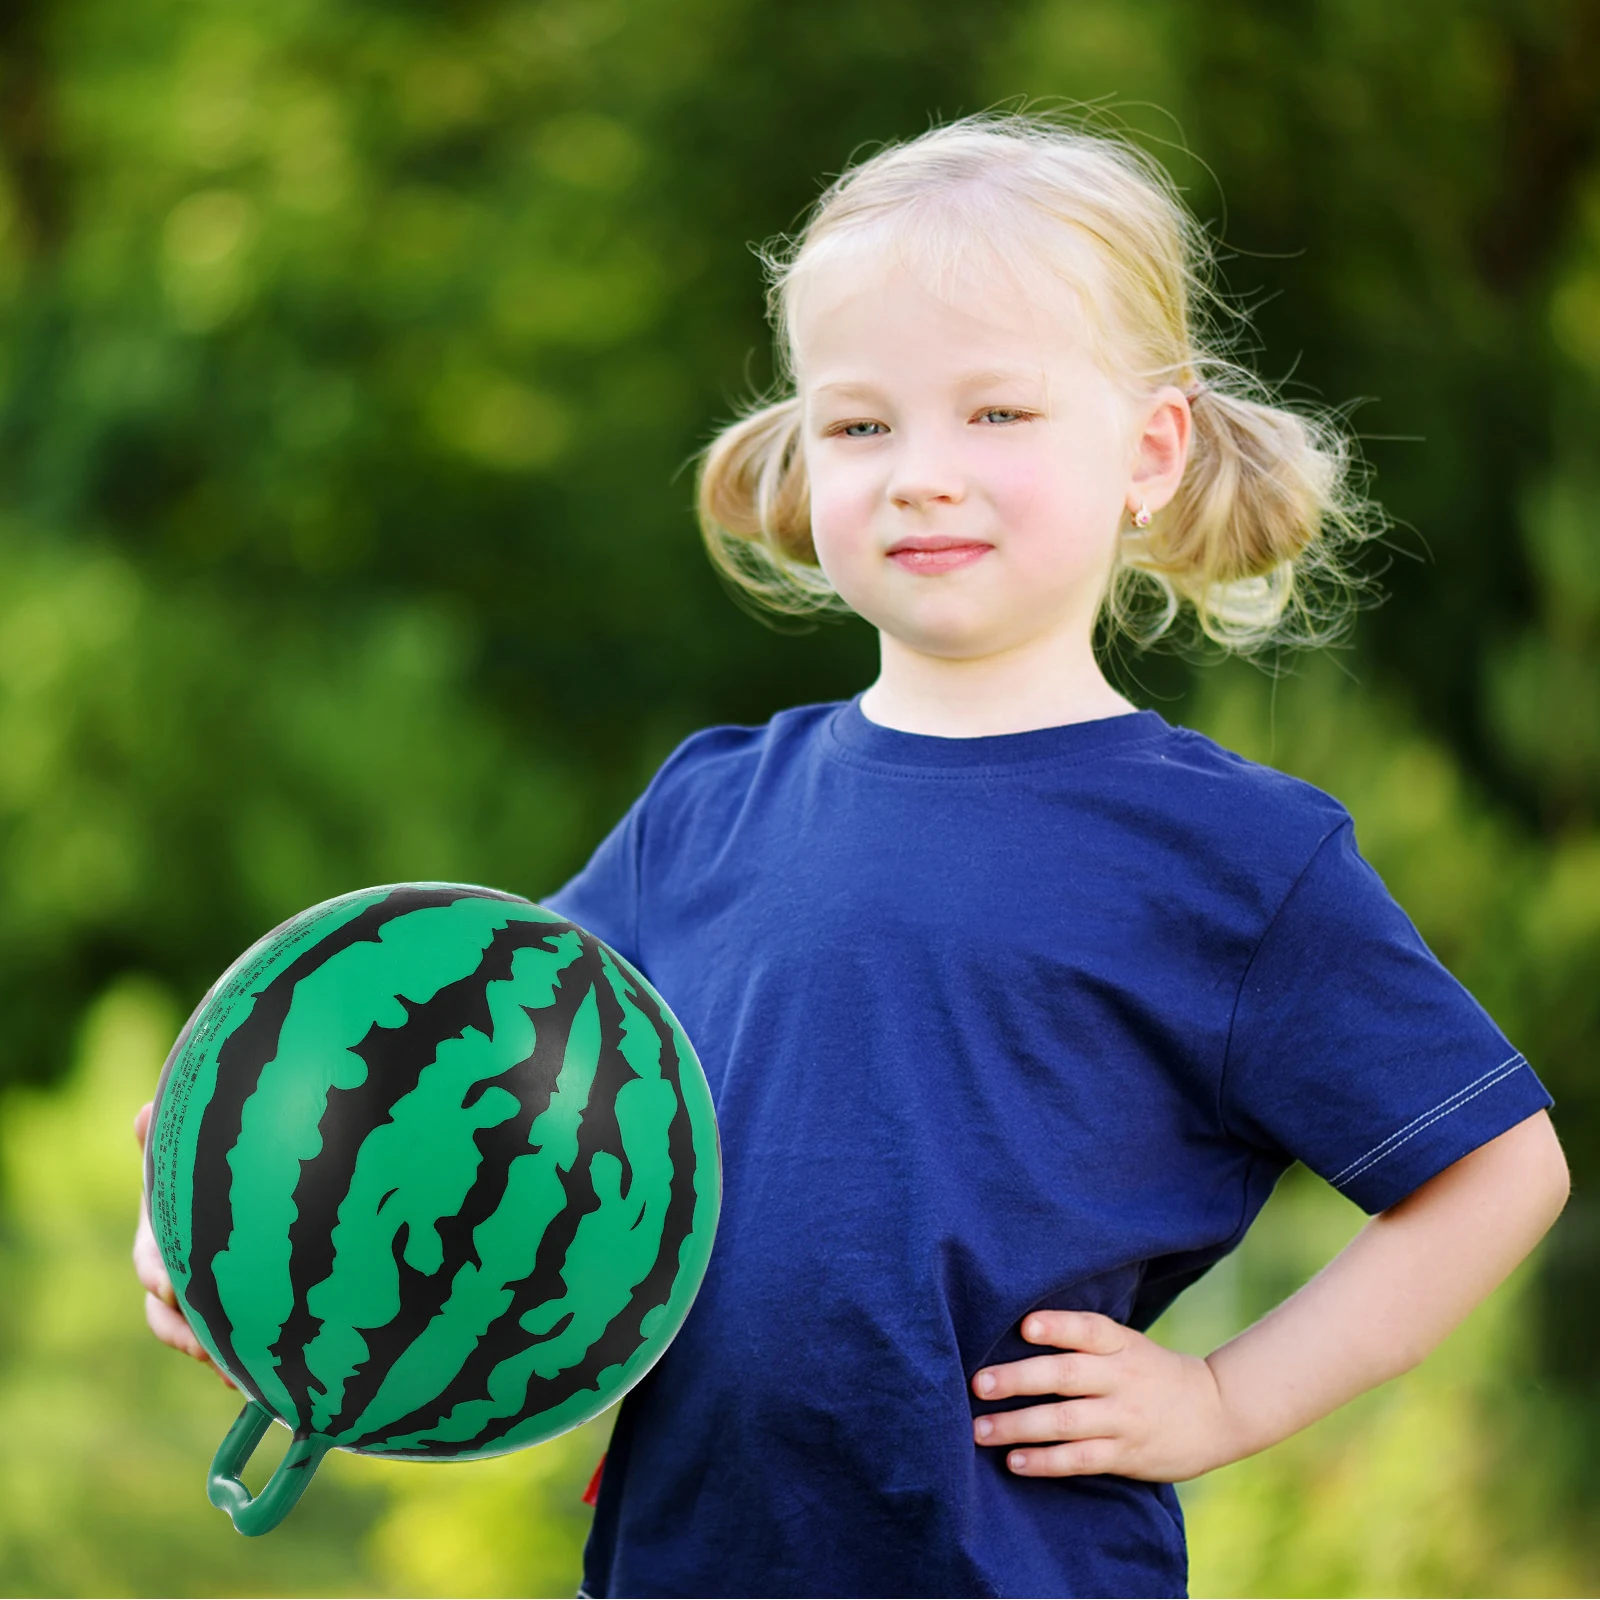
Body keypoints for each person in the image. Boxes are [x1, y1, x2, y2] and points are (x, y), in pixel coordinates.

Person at [134, 112, 1570, 1598]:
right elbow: (452, 1088)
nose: (921, 475)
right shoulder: (707, 809)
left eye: (998, 416)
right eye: (862, 424)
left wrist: (1224, 1399)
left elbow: (1497, 1174)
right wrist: (204, 1207)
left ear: (1151, 451)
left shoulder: (1231, 858)